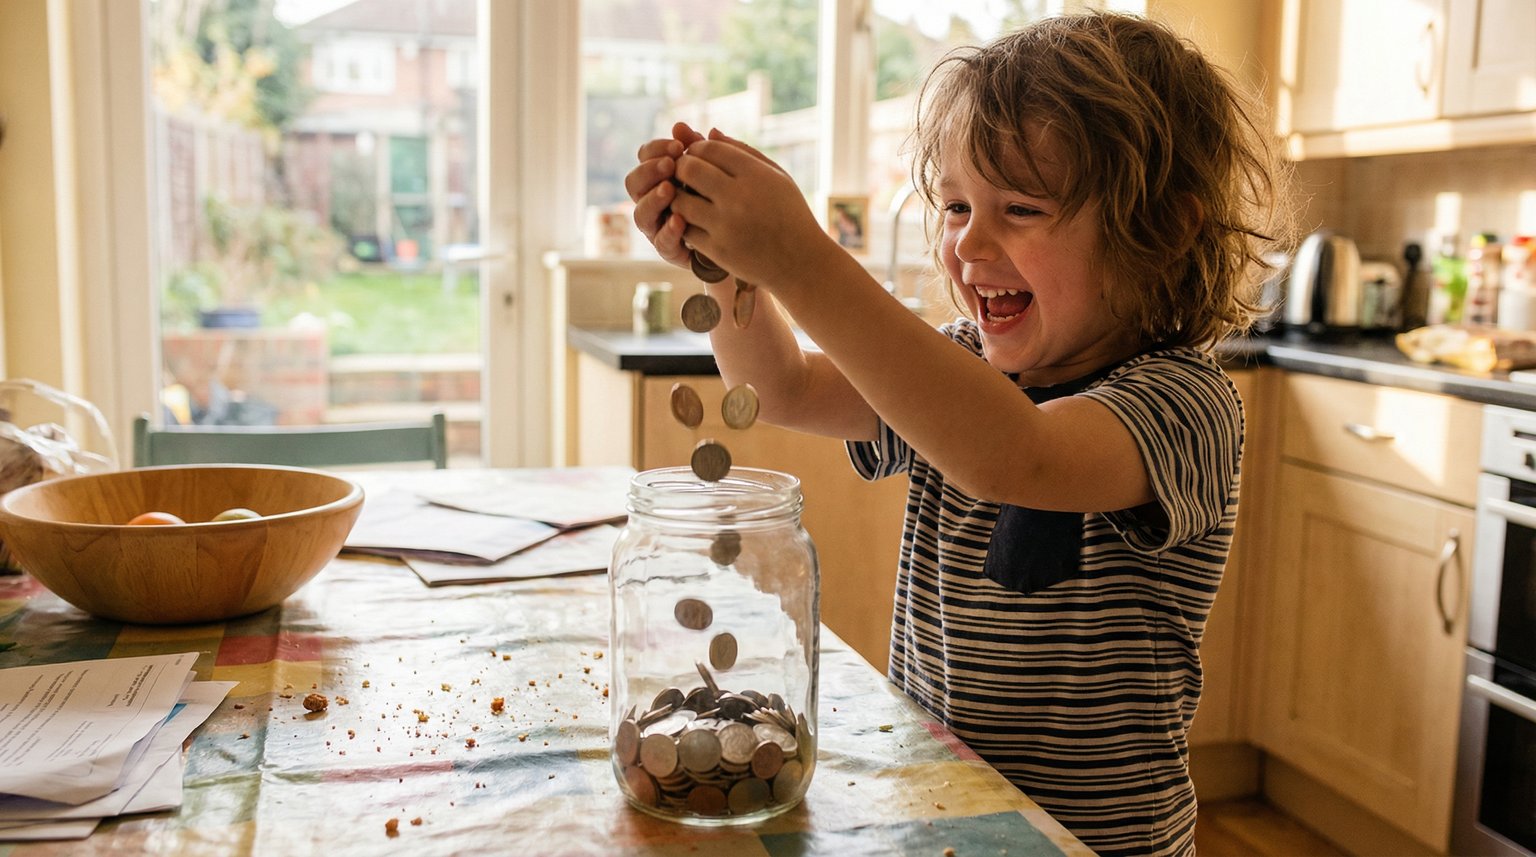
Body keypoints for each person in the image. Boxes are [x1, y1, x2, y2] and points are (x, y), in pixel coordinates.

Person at [625, 11, 1294, 857]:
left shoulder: (1184, 403)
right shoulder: (958, 367)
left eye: (1020, 208)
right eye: (953, 205)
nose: (969, 241)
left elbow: (1015, 456)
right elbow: (781, 388)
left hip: (1095, 845)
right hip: (940, 813)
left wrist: (802, 258)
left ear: (1161, 232)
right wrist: (722, 263)